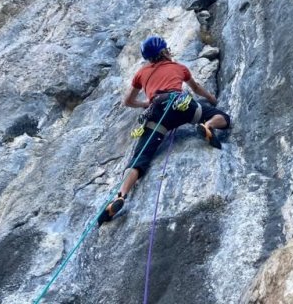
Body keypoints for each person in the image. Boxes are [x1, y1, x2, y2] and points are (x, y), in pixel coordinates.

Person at [97, 36, 230, 225]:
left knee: (139, 158)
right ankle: (207, 126)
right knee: (224, 119)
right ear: (165, 51)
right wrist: (212, 99)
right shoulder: (179, 68)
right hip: (182, 106)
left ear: (149, 57)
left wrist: (146, 103)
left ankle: (121, 196)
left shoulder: (141, 74)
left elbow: (127, 101)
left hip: (157, 114)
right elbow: (197, 88)